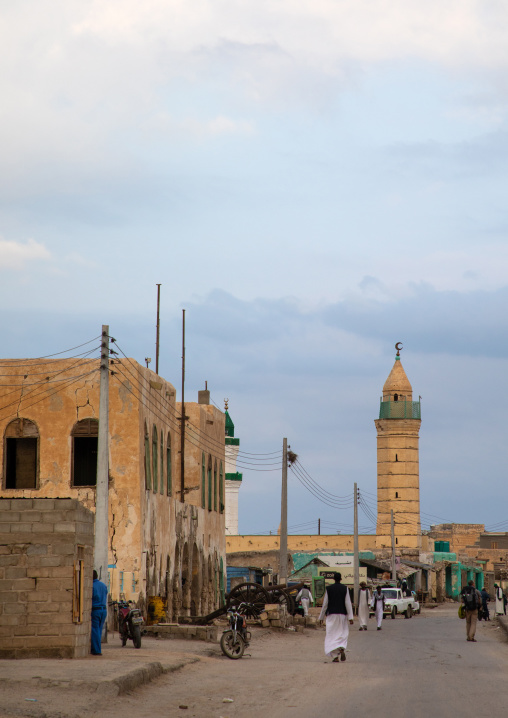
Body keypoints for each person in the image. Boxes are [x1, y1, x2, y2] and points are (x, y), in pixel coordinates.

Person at [318, 573, 354, 662]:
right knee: (342, 633)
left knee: (331, 635)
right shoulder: (345, 589)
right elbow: (348, 603)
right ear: (341, 579)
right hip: (342, 615)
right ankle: (341, 648)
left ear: (333, 579)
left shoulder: (329, 589)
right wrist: (351, 617)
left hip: (331, 615)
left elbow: (325, 604)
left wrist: (321, 617)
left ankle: (335, 656)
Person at [91, 569, 108, 656]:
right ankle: (97, 647)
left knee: (95, 630)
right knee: (99, 630)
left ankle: (97, 650)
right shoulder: (103, 585)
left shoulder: (92, 586)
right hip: (103, 610)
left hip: (96, 610)